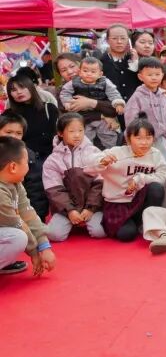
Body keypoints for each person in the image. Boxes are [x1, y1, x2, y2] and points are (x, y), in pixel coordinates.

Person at [86, 115, 166, 242]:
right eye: (139, 138)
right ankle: (132, 224)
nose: (144, 142)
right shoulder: (117, 152)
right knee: (126, 234)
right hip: (117, 203)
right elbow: (88, 168)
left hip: (140, 201)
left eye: (148, 138)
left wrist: (140, 179)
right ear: (128, 139)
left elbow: (164, 175)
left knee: (156, 188)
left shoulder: (155, 154)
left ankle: (146, 222)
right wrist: (102, 162)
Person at [42, 113, 105, 242]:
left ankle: (88, 217)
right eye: (71, 131)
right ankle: (71, 220)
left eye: (80, 130)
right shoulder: (52, 160)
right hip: (66, 209)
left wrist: (90, 208)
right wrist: (70, 211)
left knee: (100, 232)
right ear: (60, 133)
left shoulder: (94, 152)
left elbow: (101, 182)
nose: (77, 135)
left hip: (91, 207)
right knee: (54, 235)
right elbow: (54, 190)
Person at [0, 136, 56, 278]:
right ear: (13, 167)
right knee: (17, 237)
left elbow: (29, 215)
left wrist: (44, 246)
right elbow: (17, 224)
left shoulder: (15, 184)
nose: (29, 166)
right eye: (26, 162)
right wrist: (34, 253)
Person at [58, 56, 125, 149]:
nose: (89, 74)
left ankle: (111, 150)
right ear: (80, 71)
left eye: (72, 66)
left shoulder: (105, 82)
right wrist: (67, 102)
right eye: (63, 70)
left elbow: (113, 98)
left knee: (108, 134)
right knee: (85, 138)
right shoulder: (71, 85)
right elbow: (69, 111)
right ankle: (86, 151)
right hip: (84, 122)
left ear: (100, 74)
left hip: (104, 123)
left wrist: (118, 103)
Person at [0, 112, 49, 221]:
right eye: (8, 132)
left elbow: (35, 191)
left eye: (18, 133)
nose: (13, 137)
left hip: (20, 209)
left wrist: (37, 217)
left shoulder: (28, 157)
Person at [124, 57, 166, 160]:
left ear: (162, 75)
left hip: (161, 139)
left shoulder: (164, 97)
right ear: (140, 77)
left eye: (157, 74)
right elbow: (130, 119)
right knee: (144, 163)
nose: (154, 78)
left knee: (162, 163)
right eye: (150, 75)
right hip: (143, 140)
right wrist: (131, 139)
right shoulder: (137, 97)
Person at [5, 76, 60, 163]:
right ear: (10, 94)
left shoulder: (49, 108)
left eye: (22, 87)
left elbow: (55, 136)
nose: (19, 92)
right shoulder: (8, 115)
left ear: (31, 87)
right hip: (20, 160)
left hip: (50, 159)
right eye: (14, 90)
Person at [96, 24, 142, 100]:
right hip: (110, 105)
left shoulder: (137, 60)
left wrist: (136, 63)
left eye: (123, 38)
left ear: (128, 40)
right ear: (107, 40)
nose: (119, 41)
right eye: (114, 38)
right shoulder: (100, 62)